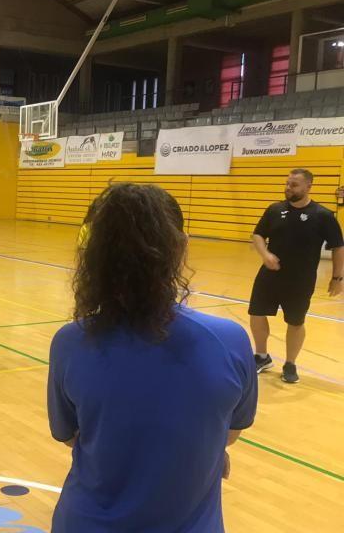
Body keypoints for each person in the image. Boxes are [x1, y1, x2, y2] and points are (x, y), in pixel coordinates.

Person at [48, 184, 257, 533]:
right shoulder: (229, 340)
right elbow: (230, 431)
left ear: (94, 254)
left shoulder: (70, 343)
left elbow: (70, 436)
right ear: (181, 247)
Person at [249, 168, 343, 383]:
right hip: (269, 275)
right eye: (287, 184)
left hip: (300, 280)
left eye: (294, 185)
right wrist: (265, 254)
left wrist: (337, 278)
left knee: (295, 322)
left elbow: (338, 247)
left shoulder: (323, 216)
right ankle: (262, 356)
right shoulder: (274, 210)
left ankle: (290, 364)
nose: (288, 188)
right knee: (256, 313)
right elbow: (258, 234)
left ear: (308, 187)